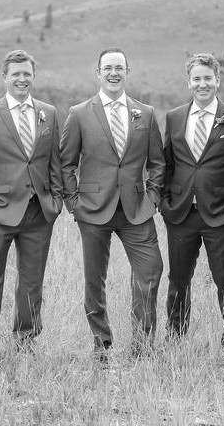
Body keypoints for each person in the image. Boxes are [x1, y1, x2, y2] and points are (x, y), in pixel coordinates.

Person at [60, 47, 164, 361]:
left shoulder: (145, 113)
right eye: (108, 68)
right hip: (92, 209)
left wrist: (153, 198)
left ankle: (142, 347)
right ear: (99, 73)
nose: (113, 73)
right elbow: (66, 164)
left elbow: (158, 163)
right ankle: (101, 345)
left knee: (151, 271)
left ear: (127, 72)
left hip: (136, 209)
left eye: (119, 67)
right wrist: (74, 203)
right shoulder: (79, 113)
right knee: (95, 280)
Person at [161, 53, 224, 365]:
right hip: (181, 213)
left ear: (217, 80)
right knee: (178, 281)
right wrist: (164, 202)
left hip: (220, 214)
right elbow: (167, 163)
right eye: (196, 79)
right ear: (189, 82)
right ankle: (175, 340)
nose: (202, 84)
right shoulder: (174, 117)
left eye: (207, 78)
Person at [0, 50, 62, 351]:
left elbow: (55, 163)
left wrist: (55, 202)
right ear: (4, 77)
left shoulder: (49, 113)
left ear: (34, 77)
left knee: (32, 282)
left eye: (27, 74)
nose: (22, 79)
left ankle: (26, 341)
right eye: (16, 74)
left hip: (38, 213)